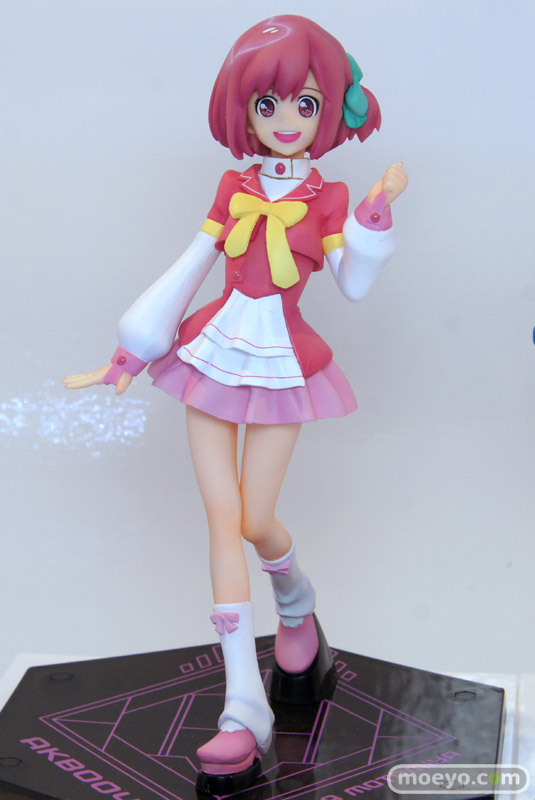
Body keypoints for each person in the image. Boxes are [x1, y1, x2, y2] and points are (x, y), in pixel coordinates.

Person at [63, 14, 408, 793]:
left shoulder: (329, 195)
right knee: (221, 520)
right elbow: (193, 261)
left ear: (329, 111)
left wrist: (372, 215)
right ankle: (242, 705)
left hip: (282, 361)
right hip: (211, 351)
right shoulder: (234, 186)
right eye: (267, 104)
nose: (285, 120)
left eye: (305, 104)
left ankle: (296, 602)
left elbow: (352, 284)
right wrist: (135, 345)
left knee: (256, 520)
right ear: (243, 108)